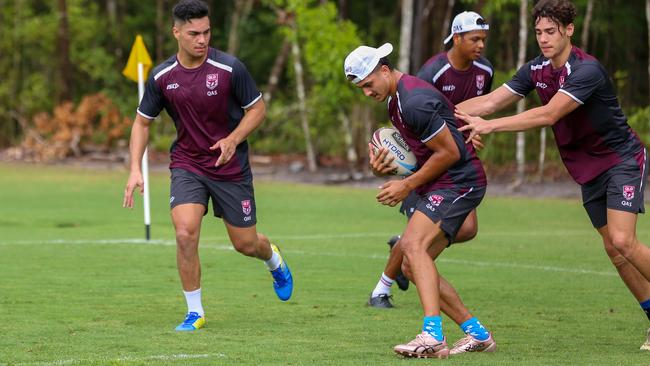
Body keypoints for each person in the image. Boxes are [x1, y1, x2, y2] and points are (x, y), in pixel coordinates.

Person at [455, 0, 650, 350]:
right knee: (614, 251)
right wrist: (432, 113)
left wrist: (489, 127)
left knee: (623, 241)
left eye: (550, 32)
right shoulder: (536, 70)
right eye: (539, 33)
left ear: (568, 30)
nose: (543, 39)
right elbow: (488, 102)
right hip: (587, 172)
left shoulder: (587, 71)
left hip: (621, 160)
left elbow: (548, 115)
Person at [122, 0, 293, 332]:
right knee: (185, 233)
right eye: (193, 33)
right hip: (188, 164)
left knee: (245, 244)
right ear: (176, 33)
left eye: (207, 32)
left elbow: (257, 110)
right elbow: (142, 123)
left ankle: (272, 257)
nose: (202, 40)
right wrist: (133, 168)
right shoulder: (162, 76)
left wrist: (233, 139)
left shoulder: (230, 69)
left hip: (230, 168)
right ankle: (194, 312)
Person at [344, 42, 494, 358]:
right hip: (444, 183)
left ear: (384, 70)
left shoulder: (413, 100)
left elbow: (449, 152)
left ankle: (432, 336)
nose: (367, 93)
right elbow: (420, 151)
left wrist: (405, 185)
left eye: (369, 84)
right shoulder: (395, 103)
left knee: (412, 246)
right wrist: (383, 166)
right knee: (412, 265)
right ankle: (477, 334)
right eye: (361, 88)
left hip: (458, 181)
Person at [368, 11, 493, 309]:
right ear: (457, 37)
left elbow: (463, 111)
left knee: (466, 229)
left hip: (451, 161)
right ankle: (381, 290)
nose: (480, 45)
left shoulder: (485, 70)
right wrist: (397, 168)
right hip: (432, 163)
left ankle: (463, 330)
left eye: (483, 40)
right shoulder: (430, 74)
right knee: (415, 247)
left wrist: (470, 129)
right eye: (474, 39)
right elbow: (414, 123)